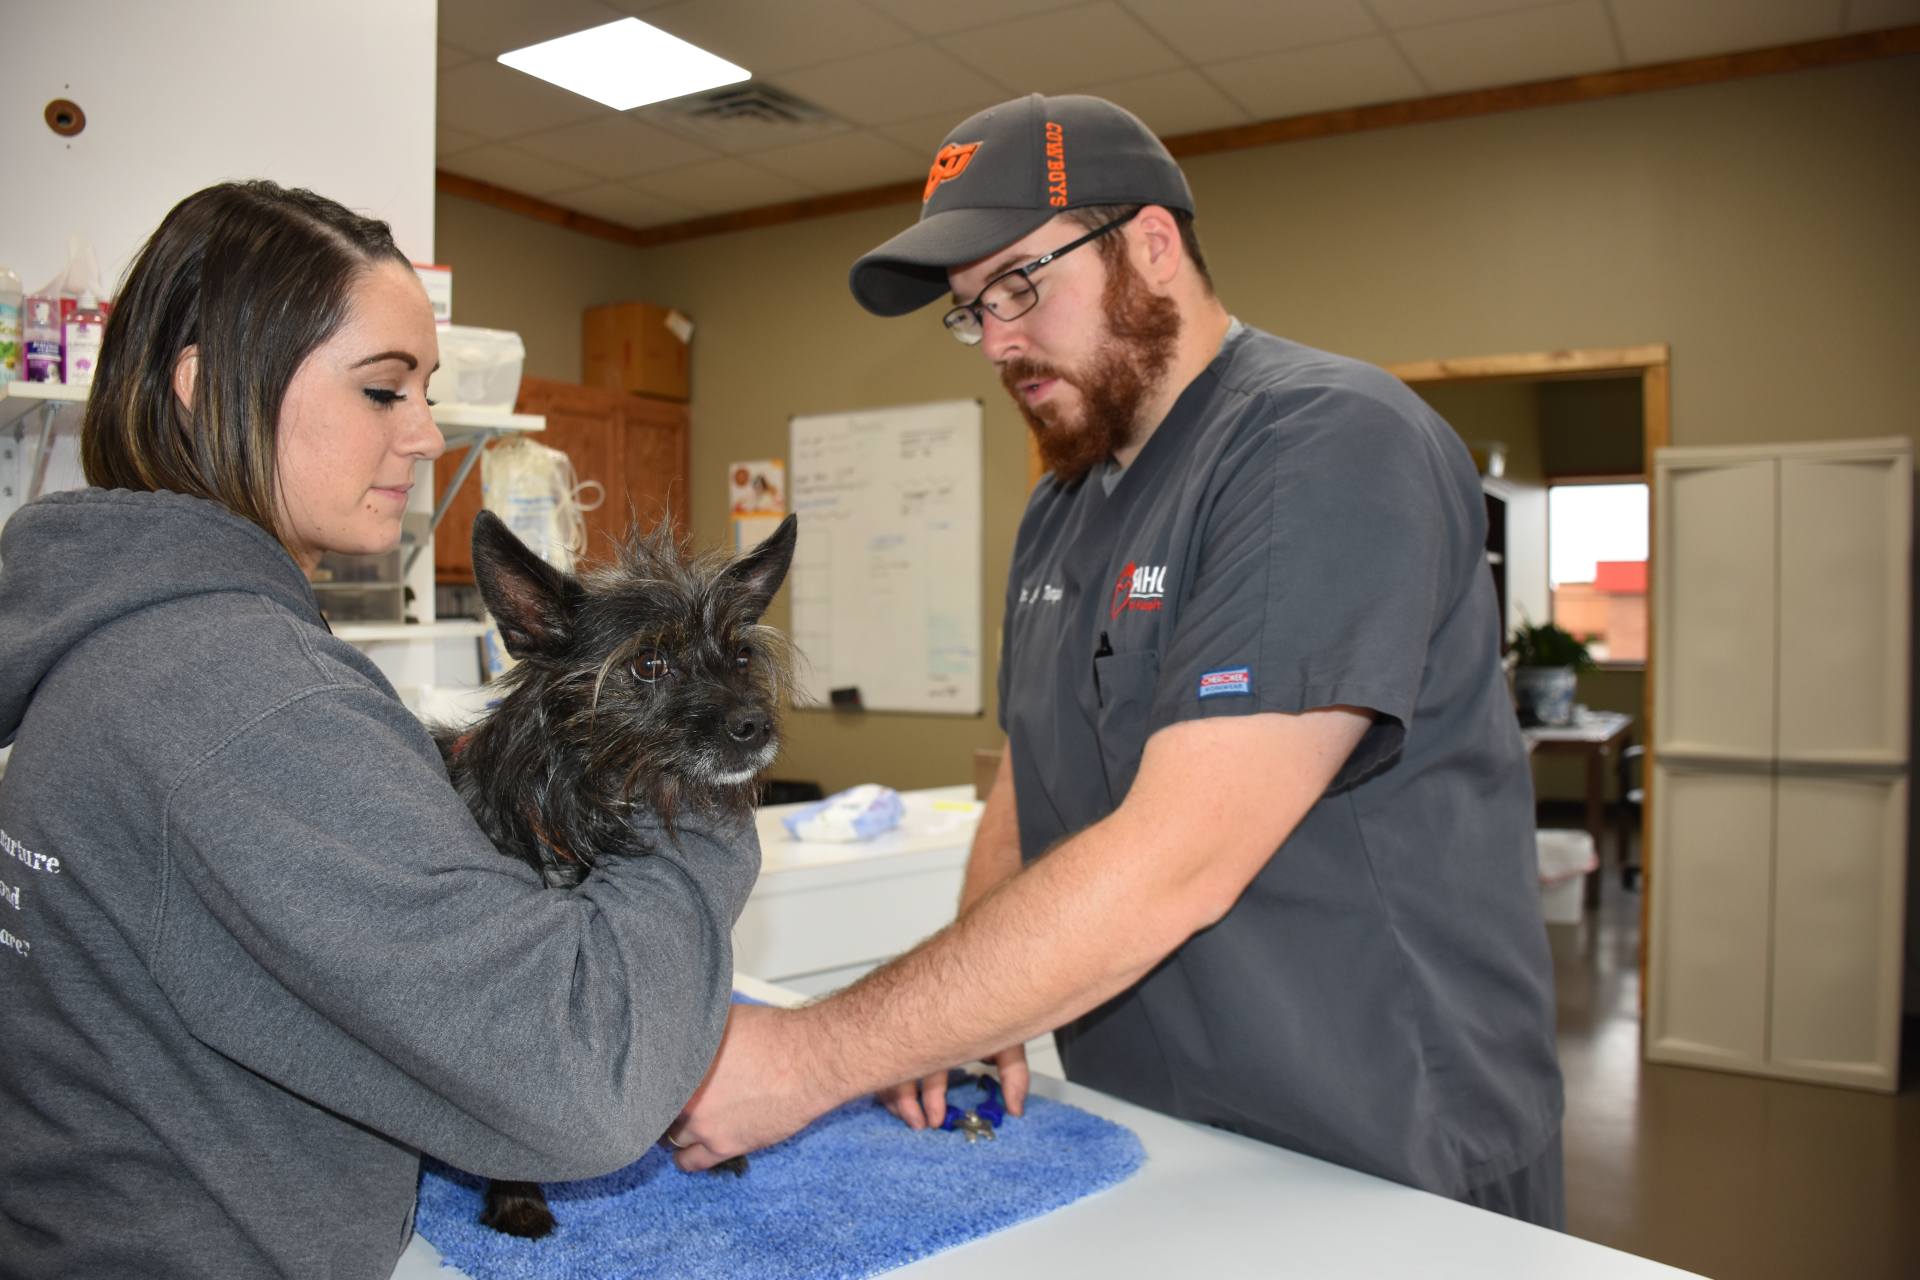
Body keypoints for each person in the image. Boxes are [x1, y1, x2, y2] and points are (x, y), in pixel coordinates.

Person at [670, 94, 1565, 1228]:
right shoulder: (1061, 506)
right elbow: (1024, 783)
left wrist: (812, 1056)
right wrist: (963, 1008)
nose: (996, 340)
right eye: (969, 311)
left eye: (1020, 286)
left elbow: (1178, 857)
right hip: (1156, 1132)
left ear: (1151, 242)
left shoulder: (1324, 443)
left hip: (1381, 1145)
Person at [0, 182, 758, 1277]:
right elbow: (584, 1077)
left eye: (428, 391)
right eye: (382, 390)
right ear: (208, 385)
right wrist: (700, 781)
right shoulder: (246, 697)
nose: (427, 432)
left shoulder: (122, 645)